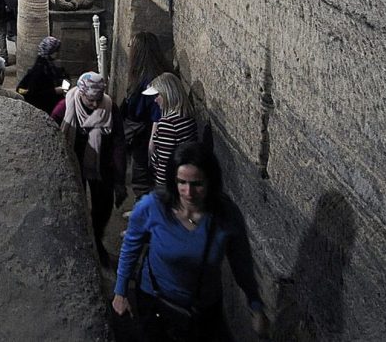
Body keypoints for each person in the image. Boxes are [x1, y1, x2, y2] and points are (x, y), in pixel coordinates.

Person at [112, 143, 269, 341]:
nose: (188, 192)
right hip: (156, 304)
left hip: (203, 311)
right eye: (182, 183)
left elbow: (241, 262)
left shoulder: (224, 214)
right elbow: (130, 248)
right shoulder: (153, 207)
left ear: (210, 181)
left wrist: (255, 305)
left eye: (197, 184)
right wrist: (120, 292)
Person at [52, 72, 125, 266]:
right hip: (73, 164)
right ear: (81, 94)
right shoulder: (65, 108)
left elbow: (118, 143)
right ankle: (80, 249)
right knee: (74, 205)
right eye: (90, 100)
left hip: (100, 166)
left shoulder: (110, 108)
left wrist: (119, 180)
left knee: (103, 207)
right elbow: (51, 135)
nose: (94, 105)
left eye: (98, 99)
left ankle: (96, 243)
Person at [121, 32, 168, 198]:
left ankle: (143, 212)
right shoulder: (149, 74)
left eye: (130, 47)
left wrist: (152, 141)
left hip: (144, 132)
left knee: (141, 173)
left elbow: (157, 114)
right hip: (142, 130)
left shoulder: (150, 80)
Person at [144, 72, 197, 187]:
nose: (155, 100)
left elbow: (165, 163)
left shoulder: (168, 123)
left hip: (170, 184)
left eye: (157, 95)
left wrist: (161, 191)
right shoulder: (187, 115)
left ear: (167, 94)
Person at [16, 36, 66, 115]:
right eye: (56, 50)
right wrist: (54, 91)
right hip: (44, 108)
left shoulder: (47, 63)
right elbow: (32, 93)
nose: (58, 53)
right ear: (51, 51)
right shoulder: (40, 69)